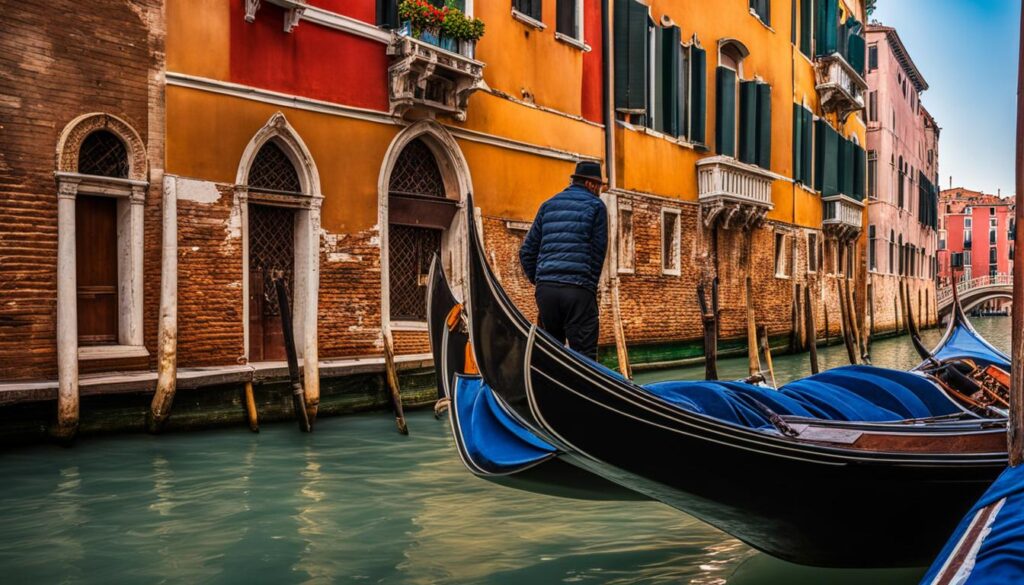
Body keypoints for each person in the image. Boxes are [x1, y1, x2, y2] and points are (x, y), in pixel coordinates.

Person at [519, 161, 608, 360]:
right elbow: (598, 252)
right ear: (591, 184)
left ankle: (550, 390)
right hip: (578, 291)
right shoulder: (596, 206)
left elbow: (526, 251)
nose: (600, 191)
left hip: (546, 293)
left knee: (552, 353)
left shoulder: (548, 205)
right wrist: (588, 285)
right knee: (584, 356)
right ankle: (583, 391)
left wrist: (541, 280)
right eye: (599, 186)